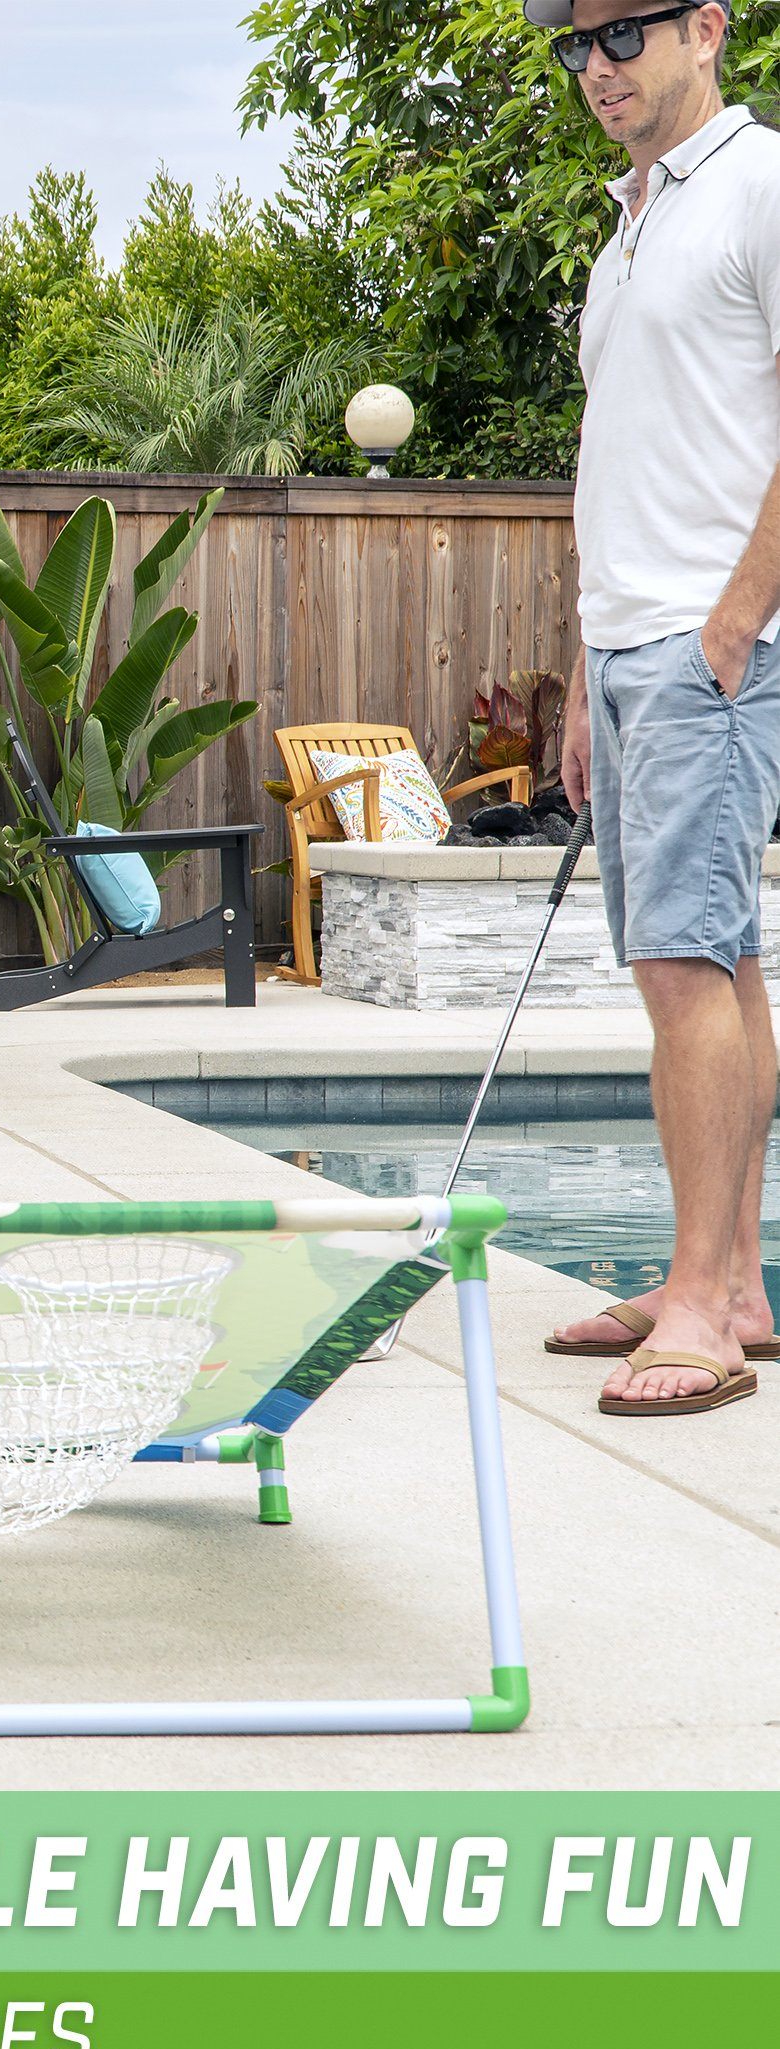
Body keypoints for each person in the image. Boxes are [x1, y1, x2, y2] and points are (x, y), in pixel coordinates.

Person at [533, 0, 780, 1417]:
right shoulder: (629, 230)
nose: (599, 66)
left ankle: (699, 1302)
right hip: (630, 646)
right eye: (576, 48)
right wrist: (580, 667)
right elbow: (615, 462)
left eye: (622, 32)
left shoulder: (758, 184)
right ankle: (733, 1278)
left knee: (686, 963)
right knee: (708, 960)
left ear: (707, 26)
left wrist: (734, 621)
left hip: (711, 643)